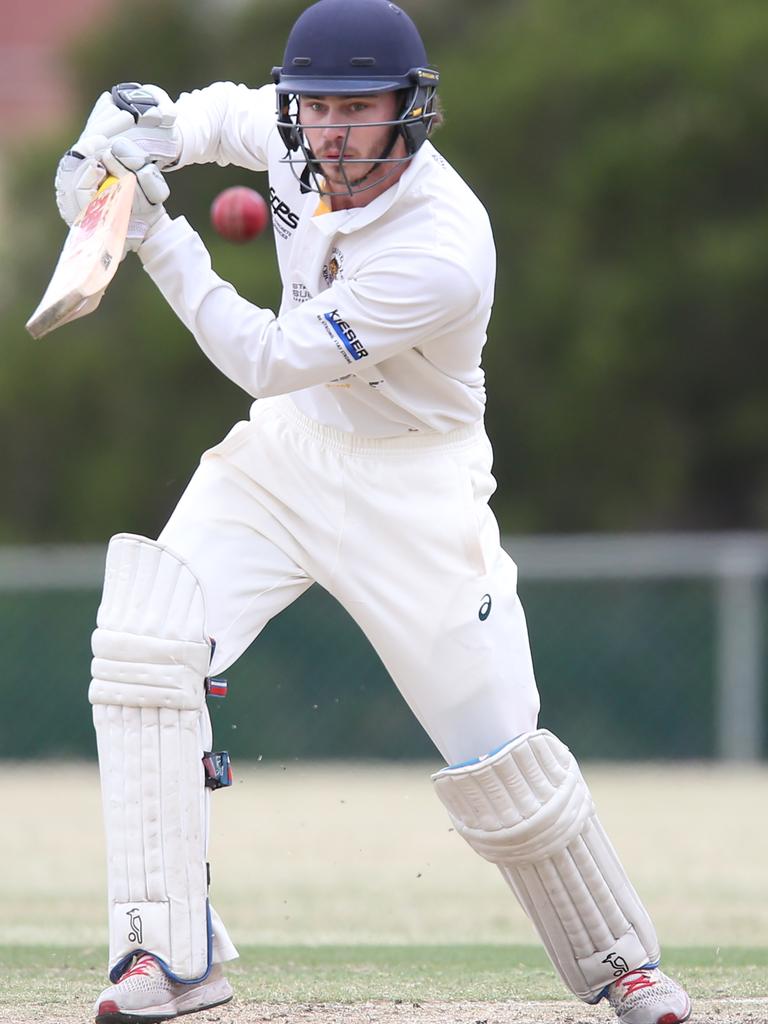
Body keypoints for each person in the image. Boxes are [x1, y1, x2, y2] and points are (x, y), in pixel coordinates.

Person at [55, 2, 692, 1022]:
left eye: (360, 109)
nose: (333, 134)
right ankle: (168, 955)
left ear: (411, 112)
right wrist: (134, 132)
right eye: (315, 109)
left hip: (414, 486)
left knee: (502, 757)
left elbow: (263, 353)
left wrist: (152, 234)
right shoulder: (294, 127)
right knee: (143, 643)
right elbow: (214, 118)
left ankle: (622, 961)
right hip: (286, 453)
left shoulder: (442, 247)